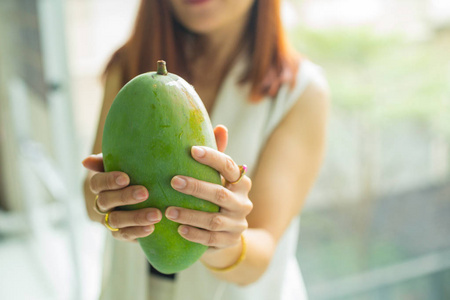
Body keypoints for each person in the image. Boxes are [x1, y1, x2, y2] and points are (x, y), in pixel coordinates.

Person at [82, 0, 329, 299]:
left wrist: (222, 239)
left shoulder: (301, 91)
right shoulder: (130, 67)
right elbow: (91, 196)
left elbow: (262, 253)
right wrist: (107, 202)